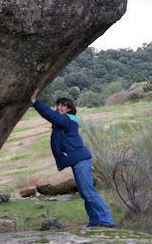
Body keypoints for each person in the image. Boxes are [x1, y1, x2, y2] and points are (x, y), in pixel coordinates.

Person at [30, 88, 115, 228]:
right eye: (58, 105)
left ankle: (106, 220)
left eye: (63, 105)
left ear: (69, 109)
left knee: (88, 192)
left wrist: (35, 102)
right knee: (84, 193)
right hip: (78, 161)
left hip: (81, 161)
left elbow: (52, 116)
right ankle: (95, 221)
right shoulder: (62, 122)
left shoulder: (67, 120)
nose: (59, 107)